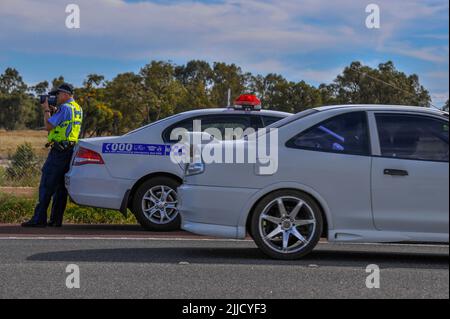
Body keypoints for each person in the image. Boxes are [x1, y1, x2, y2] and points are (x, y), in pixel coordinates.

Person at [22, 83, 83, 227]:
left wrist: (46, 110)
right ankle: (56, 220)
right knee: (61, 188)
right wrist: (54, 111)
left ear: (66, 94)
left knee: (47, 184)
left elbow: (49, 126)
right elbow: (66, 125)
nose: (56, 97)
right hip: (70, 151)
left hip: (59, 152)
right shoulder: (77, 108)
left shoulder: (65, 108)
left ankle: (39, 219)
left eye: (58, 94)